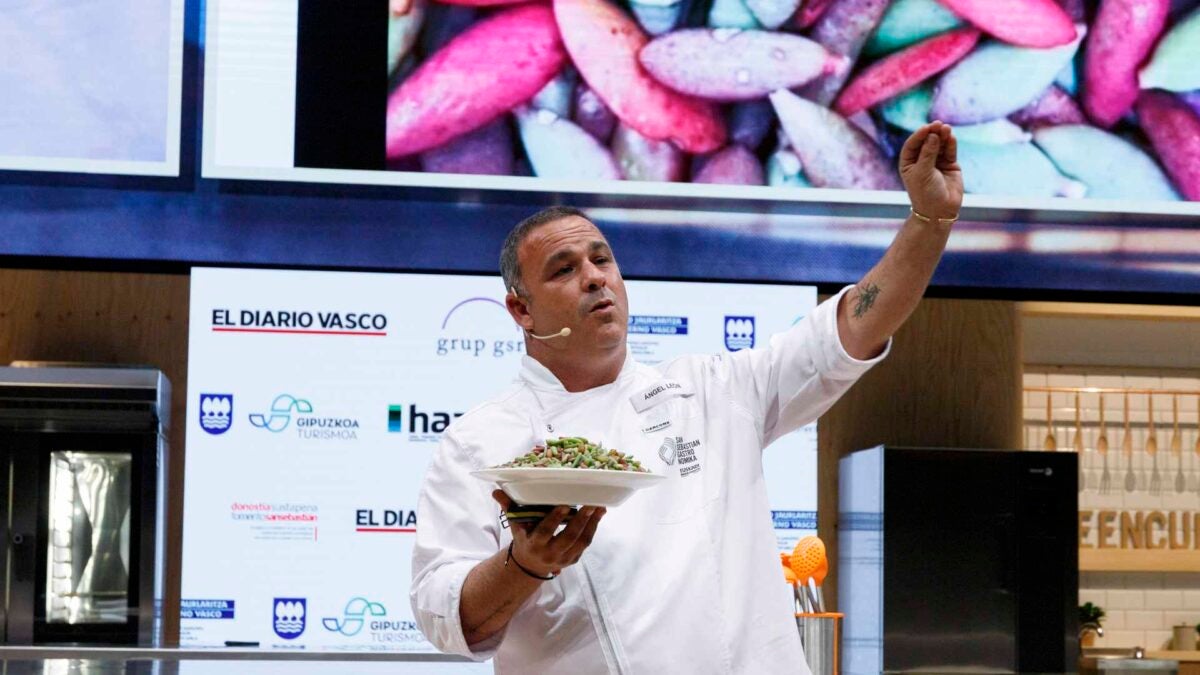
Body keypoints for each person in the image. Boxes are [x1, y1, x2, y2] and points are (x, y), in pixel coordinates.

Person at [411, 122, 964, 673]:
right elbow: (445, 616)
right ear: (521, 311)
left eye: (602, 260)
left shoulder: (715, 391)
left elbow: (848, 331)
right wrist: (524, 565)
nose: (595, 278)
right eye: (564, 269)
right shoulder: (481, 442)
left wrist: (931, 221)